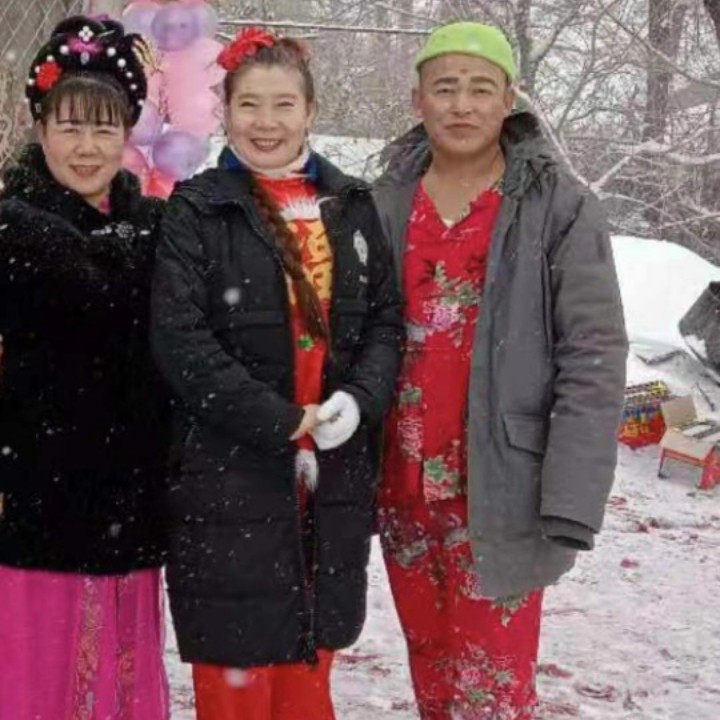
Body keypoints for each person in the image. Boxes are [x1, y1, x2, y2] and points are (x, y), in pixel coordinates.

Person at [373, 21, 628, 720]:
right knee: (433, 674)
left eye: (480, 88)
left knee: (490, 690)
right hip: (400, 483)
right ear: (418, 99)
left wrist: (572, 496)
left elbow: (594, 354)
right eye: (444, 87)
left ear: (509, 99)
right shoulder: (385, 200)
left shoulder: (559, 205)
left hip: (502, 487)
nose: (462, 105)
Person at [151, 27, 403, 720]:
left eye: (284, 104)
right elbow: (180, 340)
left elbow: (386, 320)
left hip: (331, 481)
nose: (267, 122)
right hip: (227, 477)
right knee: (235, 681)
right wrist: (283, 420)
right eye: (250, 104)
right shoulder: (198, 209)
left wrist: (360, 399)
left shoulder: (352, 206)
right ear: (225, 110)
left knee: (306, 677)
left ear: (310, 110)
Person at [0, 16, 171, 720]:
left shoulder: (159, 227)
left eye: (104, 128)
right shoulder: (11, 228)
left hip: (131, 505)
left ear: (127, 133)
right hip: (32, 501)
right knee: (36, 682)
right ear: (39, 128)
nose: (87, 146)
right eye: (69, 126)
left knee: (118, 685)